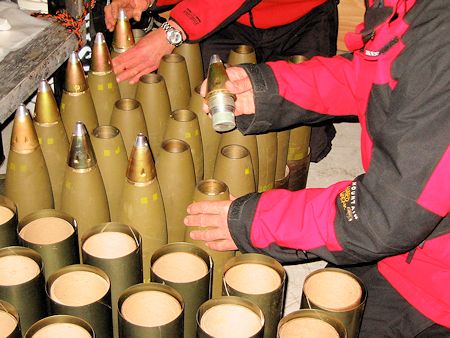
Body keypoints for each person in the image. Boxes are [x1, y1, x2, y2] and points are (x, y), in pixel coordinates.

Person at [184, 0, 450, 336]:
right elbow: (368, 75)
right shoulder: (409, 9)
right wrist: (265, 88)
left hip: (438, 287)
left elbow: (380, 217)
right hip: (411, 251)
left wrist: (251, 220)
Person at [104, 0, 339, 162]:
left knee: (305, 143)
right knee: (216, 117)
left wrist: (174, 30)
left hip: (304, 16)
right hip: (229, 20)